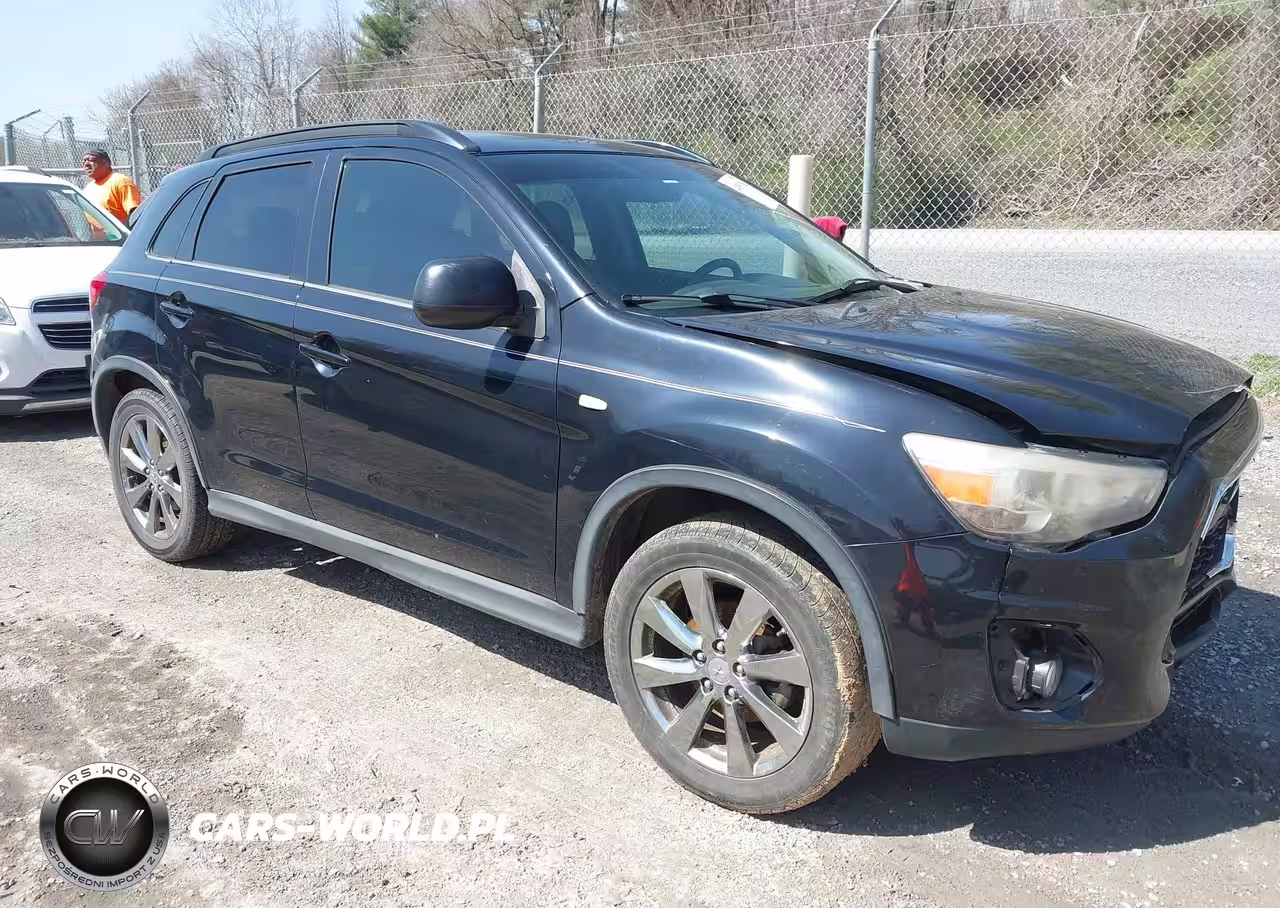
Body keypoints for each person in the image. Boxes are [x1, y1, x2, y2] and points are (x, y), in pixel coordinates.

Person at [81, 149, 142, 225]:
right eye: (84, 161)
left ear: (105, 163)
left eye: (91, 160)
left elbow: (135, 214)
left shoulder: (121, 181)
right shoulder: (88, 189)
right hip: (96, 236)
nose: (86, 164)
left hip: (121, 235)